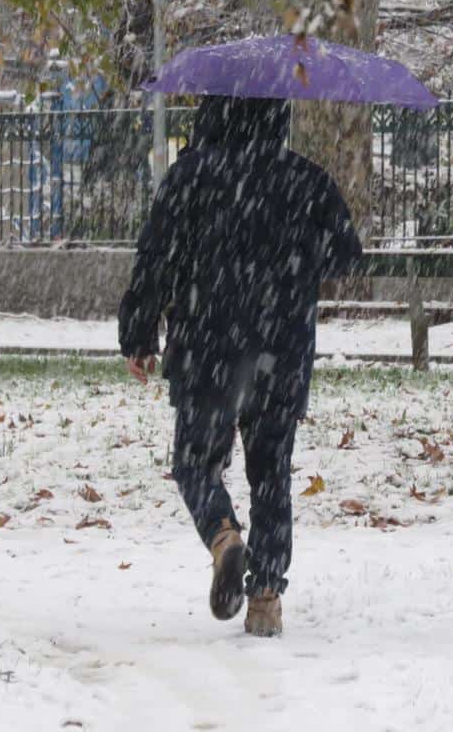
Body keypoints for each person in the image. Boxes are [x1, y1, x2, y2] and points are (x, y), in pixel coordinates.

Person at [118, 95, 362, 636]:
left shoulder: (189, 177)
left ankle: (223, 534)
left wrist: (139, 332)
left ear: (211, 113)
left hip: (208, 343)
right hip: (282, 346)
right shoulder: (305, 179)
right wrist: (290, 253)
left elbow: (154, 260)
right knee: (271, 472)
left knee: (194, 462)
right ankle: (266, 597)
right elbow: (345, 256)